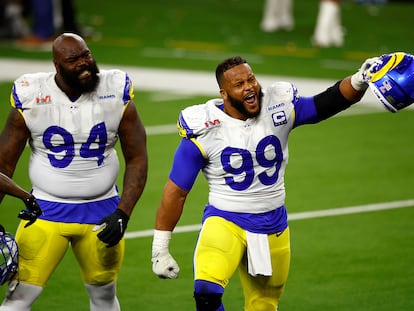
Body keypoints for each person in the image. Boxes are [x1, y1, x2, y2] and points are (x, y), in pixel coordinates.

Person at [151, 55, 380, 310]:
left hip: (273, 224)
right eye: (239, 84)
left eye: (251, 79)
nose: (249, 87)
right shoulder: (205, 128)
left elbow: (326, 103)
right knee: (206, 292)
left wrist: (360, 80)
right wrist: (160, 248)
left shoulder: (277, 108)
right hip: (226, 219)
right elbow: (176, 192)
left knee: (264, 305)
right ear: (224, 94)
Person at [0, 32, 148, 310]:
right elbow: (3, 165)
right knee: (17, 300)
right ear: (57, 66)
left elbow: (137, 157)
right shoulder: (32, 94)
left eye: (86, 55)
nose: (84, 64)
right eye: (74, 59)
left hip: (101, 212)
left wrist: (124, 213)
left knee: (104, 297)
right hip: (44, 211)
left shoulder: (114, 90)